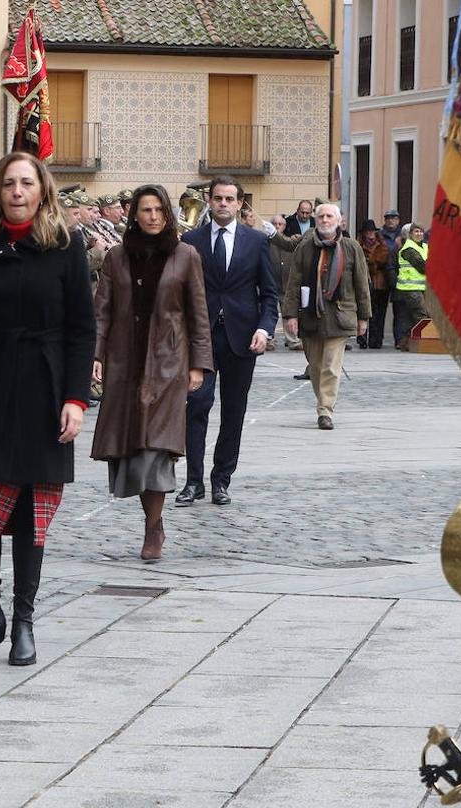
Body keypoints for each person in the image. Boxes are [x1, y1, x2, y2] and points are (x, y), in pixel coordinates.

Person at [0, 151, 94, 667]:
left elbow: (81, 330)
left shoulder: (65, 246)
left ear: (43, 190)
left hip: (45, 390)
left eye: (27, 183)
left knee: (30, 515)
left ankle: (24, 619)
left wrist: (76, 398)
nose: (18, 192)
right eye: (9, 183)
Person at [90, 184, 212, 561]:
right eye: (146, 210)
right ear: (135, 215)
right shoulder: (116, 257)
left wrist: (198, 363)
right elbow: (102, 311)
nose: (153, 216)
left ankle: (152, 528)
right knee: (133, 448)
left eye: (159, 209)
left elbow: (198, 313)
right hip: (125, 363)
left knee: (157, 449)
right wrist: (95, 355)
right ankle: (153, 520)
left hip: (168, 363)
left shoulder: (185, 255)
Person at [176, 175, 279, 507]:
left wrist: (265, 328)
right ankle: (193, 482)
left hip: (242, 338)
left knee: (234, 412)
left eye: (229, 199)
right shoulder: (190, 240)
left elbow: (269, 294)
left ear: (239, 203)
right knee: (197, 407)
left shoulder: (256, 241)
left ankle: (221, 480)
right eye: (217, 198)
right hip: (200, 338)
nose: (223, 204)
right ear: (209, 200)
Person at [282, 203, 370, 429]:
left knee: (331, 366)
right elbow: (294, 281)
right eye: (320, 216)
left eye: (329, 216)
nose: (324, 220)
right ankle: (323, 401)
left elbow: (362, 284)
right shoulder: (305, 247)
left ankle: (325, 410)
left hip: (340, 316)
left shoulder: (351, 247)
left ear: (339, 220)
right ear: (315, 219)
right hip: (310, 315)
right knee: (316, 366)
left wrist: (363, 317)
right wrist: (290, 315)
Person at [394, 223, 429, 350]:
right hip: (410, 288)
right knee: (421, 315)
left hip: (421, 288)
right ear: (410, 234)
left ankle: (406, 344)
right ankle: (424, 344)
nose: (419, 234)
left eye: (421, 231)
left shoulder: (425, 247)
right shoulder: (408, 248)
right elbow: (422, 266)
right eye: (416, 231)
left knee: (410, 318)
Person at [359, 219, 390, 349]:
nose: (370, 234)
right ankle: (362, 339)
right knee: (364, 312)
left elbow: (383, 258)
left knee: (379, 313)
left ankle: (376, 340)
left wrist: (370, 260)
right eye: (368, 232)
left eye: (372, 231)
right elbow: (359, 261)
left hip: (380, 284)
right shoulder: (359, 244)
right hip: (364, 283)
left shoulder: (381, 243)